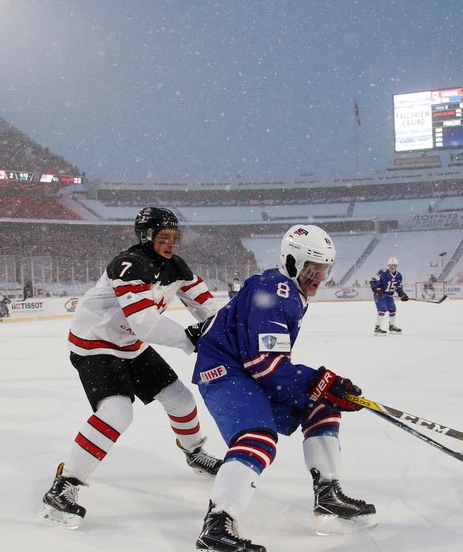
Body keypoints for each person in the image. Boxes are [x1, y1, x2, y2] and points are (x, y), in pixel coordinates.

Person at [191, 224, 375, 552]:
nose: (318, 276)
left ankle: (327, 494)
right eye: (312, 268)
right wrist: (320, 380)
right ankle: (217, 524)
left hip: (250, 374)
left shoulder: (291, 292)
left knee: (323, 404)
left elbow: (266, 364)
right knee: (257, 438)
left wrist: (322, 388)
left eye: (324, 269)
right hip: (226, 373)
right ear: (291, 261)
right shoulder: (274, 288)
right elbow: (264, 363)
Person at [39, 207, 224, 529]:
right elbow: (144, 322)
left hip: (130, 346)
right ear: (145, 236)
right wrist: (191, 339)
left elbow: (208, 307)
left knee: (180, 398)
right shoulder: (127, 265)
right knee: (117, 412)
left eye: (174, 238)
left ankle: (194, 452)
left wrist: (225, 332)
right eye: (162, 237)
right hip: (94, 346)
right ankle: (65, 484)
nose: (170, 244)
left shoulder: (176, 266)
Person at [369, 257, 409, 335]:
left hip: (389, 295)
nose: (392, 267)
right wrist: (377, 289)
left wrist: (402, 294)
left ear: (397, 266)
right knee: (382, 309)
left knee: (392, 309)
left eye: (394, 265)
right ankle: (377, 328)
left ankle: (392, 326)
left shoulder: (399, 276)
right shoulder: (383, 272)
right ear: (388, 265)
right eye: (391, 265)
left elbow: (398, 287)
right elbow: (373, 281)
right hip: (380, 295)